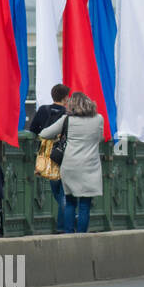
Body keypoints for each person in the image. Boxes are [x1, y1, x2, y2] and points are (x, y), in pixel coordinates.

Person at [38, 91, 105, 233]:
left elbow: (44, 134)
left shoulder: (67, 120)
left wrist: (60, 136)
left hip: (70, 166)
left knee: (70, 202)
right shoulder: (99, 119)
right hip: (90, 166)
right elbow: (100, 138)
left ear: (72, 105)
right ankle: (82, 236)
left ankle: (68, 235)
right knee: (85, 205)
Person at [29, 83, 70, 233]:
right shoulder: (68, 114)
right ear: (66, 98)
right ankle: (65, 225)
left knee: (57, 191)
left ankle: (63, 224)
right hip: (63, 155)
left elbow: (33, 130)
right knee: (63, 193)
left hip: (47, 156)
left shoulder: (43, 110)